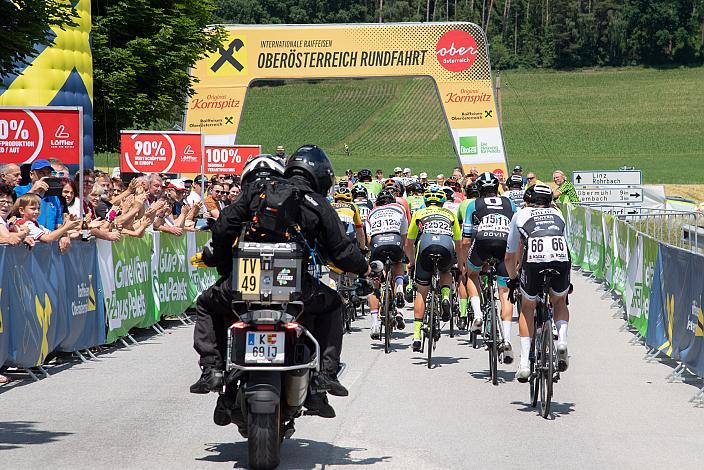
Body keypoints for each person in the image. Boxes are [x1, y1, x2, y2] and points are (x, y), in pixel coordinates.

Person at [192, 145, 370, 419]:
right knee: (333, 303)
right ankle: (324, 376)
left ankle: (212, 368)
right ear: (320, 176)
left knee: (205, 303)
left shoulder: (257, 191)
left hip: (245, 284)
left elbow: (224, 226)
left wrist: (227, 268)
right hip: (293, 287)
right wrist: (365, 268)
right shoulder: (314, 201)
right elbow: (341, 251)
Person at [505, 184, 571, 381]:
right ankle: (562, 342)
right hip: (561, 259)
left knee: (527, 307)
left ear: (528, 200)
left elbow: (509, 257)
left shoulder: (521, 214)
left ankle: (524, 362)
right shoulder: (558, 214)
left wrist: (513, 279)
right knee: (559, 300)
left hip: (533, 261)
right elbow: (567, 247)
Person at [459, 172, 516, 362]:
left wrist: (464, 263)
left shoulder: (473, 204)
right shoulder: (510, 203)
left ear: (479, 190)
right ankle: (507, 339)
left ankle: (477, 314)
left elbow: (466, 240)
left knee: (472, 275)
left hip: (483, 242)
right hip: (505, 243)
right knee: (505, 291)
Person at [405, 185, 462, 352]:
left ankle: (416, 336)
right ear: (443, 201)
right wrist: (459, 262)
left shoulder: (419, 213)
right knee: (446, 271)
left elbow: (409, 243)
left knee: (422, 292)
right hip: (446, 246)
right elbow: (458, 244)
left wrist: (411, 262)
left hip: (425, 246)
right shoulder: (450, 214)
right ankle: (445, 296)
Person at [365, 189, 408, 339]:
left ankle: (375, 323)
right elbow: (404, 235)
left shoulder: (372, 212)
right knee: (397, 264)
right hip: (395, 240)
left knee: (375, 284)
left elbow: (369, 239)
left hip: (377, 243)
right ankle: (400, 287)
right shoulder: (399, 208)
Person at [11, 193, 80, 252]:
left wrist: (75, 231)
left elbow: (53, 234)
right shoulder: (26, 224)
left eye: (38, 208)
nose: (37, 212)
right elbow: (47, 238)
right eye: (33, 209)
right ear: (22, 210)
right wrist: (66, 227)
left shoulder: (36, 224)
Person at [14, 160, 64, 231]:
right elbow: (12, 210)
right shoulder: (19, 190)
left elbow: (58, 223)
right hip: (27, 238)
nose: (45, 176)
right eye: (41, 173)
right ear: (31, 174)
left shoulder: (54, 197)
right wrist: (33, 191)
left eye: (48, 173)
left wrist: (64, 235)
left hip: (49, 238)